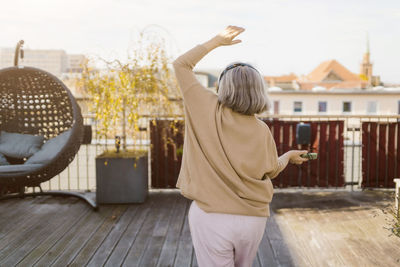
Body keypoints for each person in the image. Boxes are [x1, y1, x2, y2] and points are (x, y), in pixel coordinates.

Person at [172, 25, 308, 267]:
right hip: (252, 219)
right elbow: (271, 170)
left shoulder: (205, 106)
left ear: (222, 87)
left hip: (210, 217)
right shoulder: (261, 129)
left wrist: (217, 41)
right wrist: (287, 156)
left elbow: (181, 64)